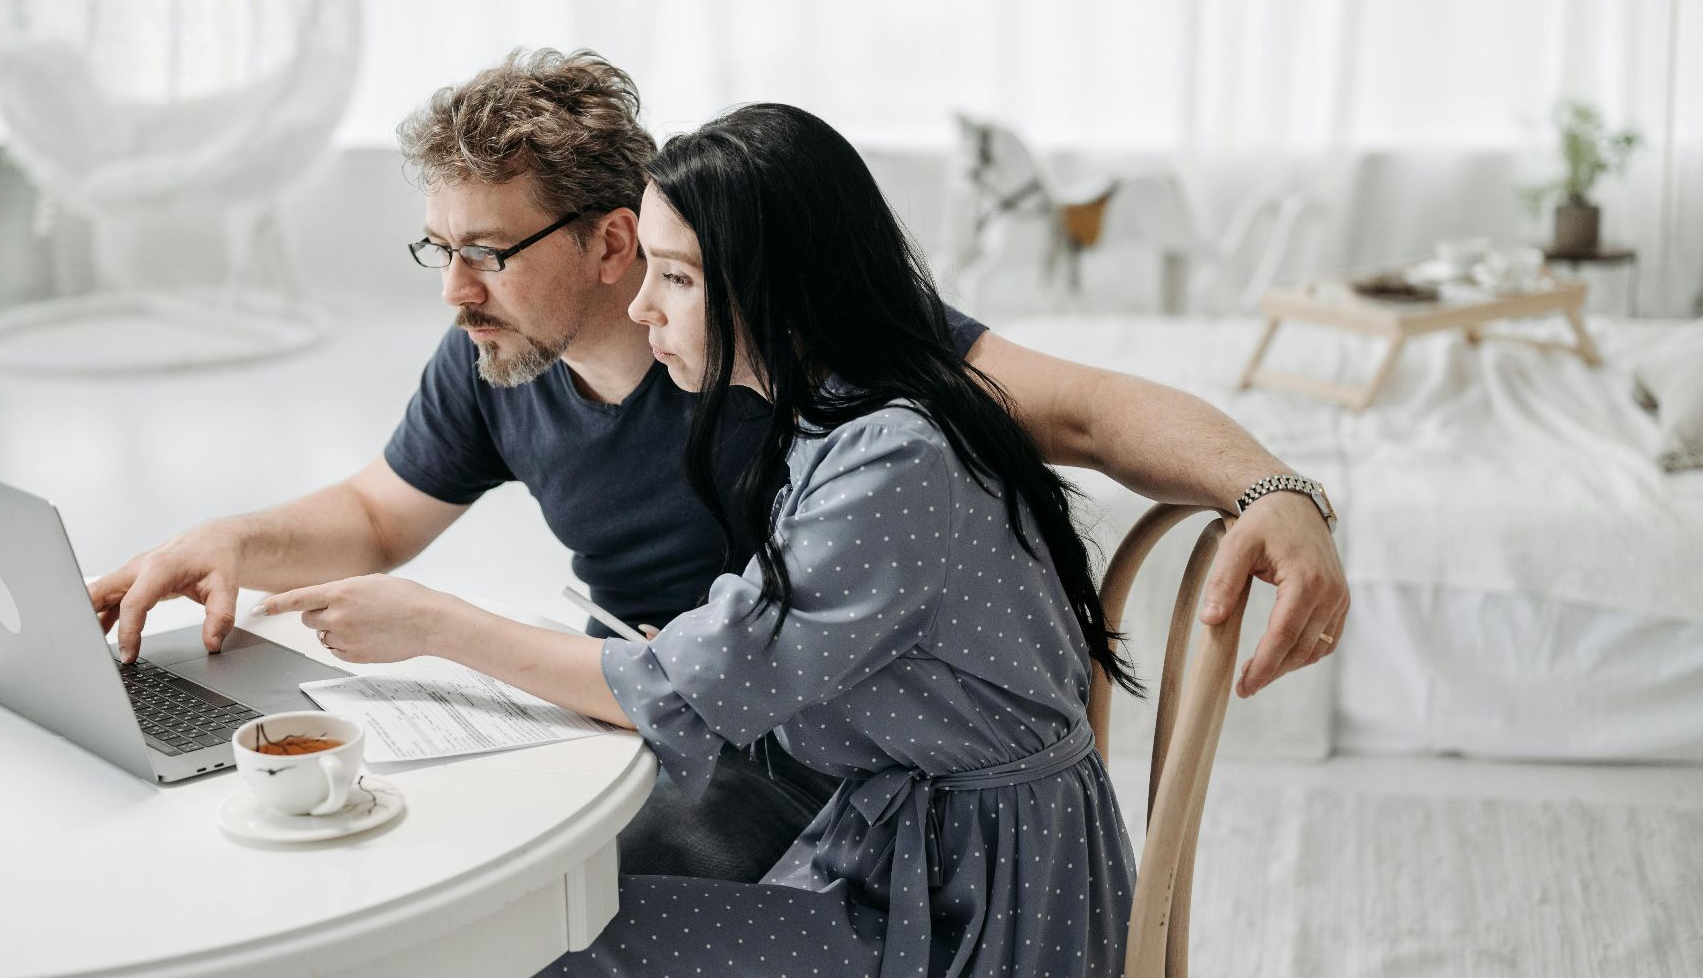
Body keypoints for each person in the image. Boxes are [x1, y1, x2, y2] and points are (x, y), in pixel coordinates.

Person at [89, 50, 1348, 884]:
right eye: (438, 251)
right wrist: (225, 545)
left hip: (808, 759)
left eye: (486, 250)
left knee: (514, 907)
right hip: (661, 708)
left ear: (612, 243)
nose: (455, 291)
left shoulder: (813, 364)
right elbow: (375, 510)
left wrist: (1273, 491)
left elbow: (1077, 413)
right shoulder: (494, 353)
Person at [257, 102, 1145, 975]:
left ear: (778, 288)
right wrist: (706, 656)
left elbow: (681, 693)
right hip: (904, 842)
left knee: (547, 936)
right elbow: (774, 644)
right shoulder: (832, 421)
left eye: (674, 278)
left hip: (978, 895)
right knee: (546, 912)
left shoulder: (893, 457)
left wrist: (435, 624)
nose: (641, 307)